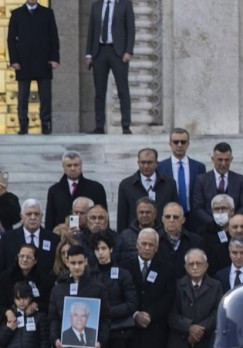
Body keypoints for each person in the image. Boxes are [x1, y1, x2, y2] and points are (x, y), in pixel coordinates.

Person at [166, 248, 224, 348]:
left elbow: (218, 312)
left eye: (199, 263)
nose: (195, 267)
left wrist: (200, 329)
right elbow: (171, 313)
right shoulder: (177, 286)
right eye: (191, 263)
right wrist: (189, 327)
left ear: (206, 266)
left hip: (205, 347)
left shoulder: (216, 286)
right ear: (185, 267)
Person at [7, 0, 60, 135]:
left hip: (43, 60)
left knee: (45, 96)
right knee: (23, 95)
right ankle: (23, 124)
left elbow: (54, 37)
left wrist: (54, 58)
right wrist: (14, 60)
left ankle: (45, 124)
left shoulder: (47, 13)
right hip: (24, 62)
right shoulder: (17, 14)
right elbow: (11, 39)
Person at [85, 0, 135, 134]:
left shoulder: (125, 4)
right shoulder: (96, 5)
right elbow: (91, 30)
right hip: (99, 52)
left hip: (118, 53)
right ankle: (99, 126)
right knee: (99, 92)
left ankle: (125, 125)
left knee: (122, 90)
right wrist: (89, 54)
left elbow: (131, 28)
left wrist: (128, 51)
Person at [189, 142, 243, 232]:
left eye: (227, 160)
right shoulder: (201, 180)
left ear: (231, 159)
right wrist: (215, 224)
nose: (223, 163)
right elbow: (198, 208)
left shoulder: (240, 180)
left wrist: (232, 222)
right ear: (213, 159)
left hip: (233, 229)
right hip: (208, 230)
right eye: (220, 160)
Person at [45, 151, 108, 234]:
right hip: (61, 237)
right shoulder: (54, 190)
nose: (73, 168)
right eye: (69, 165)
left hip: (90, 237)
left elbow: (104, 216)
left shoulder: (96, 188)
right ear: (63, 167)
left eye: (76, 165)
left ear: (81, 166)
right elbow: (50, 219)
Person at [117, 149, 177, 230]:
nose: (146, 166)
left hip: (162, 234)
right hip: (135, 234)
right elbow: (122, 216)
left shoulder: (169, 184)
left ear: (157, 163)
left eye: (149, 162)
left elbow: (175, 210)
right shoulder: (126, 185)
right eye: (143, 162)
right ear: (138, 163)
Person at [0, 199, 57, 275]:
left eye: (36, 214)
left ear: (41, 216)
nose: (33, 217)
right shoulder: (7, 239)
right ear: (21, 216)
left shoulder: (54, 239)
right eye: (29, 214)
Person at [157, 127, 205, 214]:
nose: (179, 145)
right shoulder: (161, 167)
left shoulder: (199, 167)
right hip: (170, 216)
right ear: (170, 144)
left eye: (183, 142)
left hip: (193, 216)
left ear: (188, 144)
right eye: (176, 142)